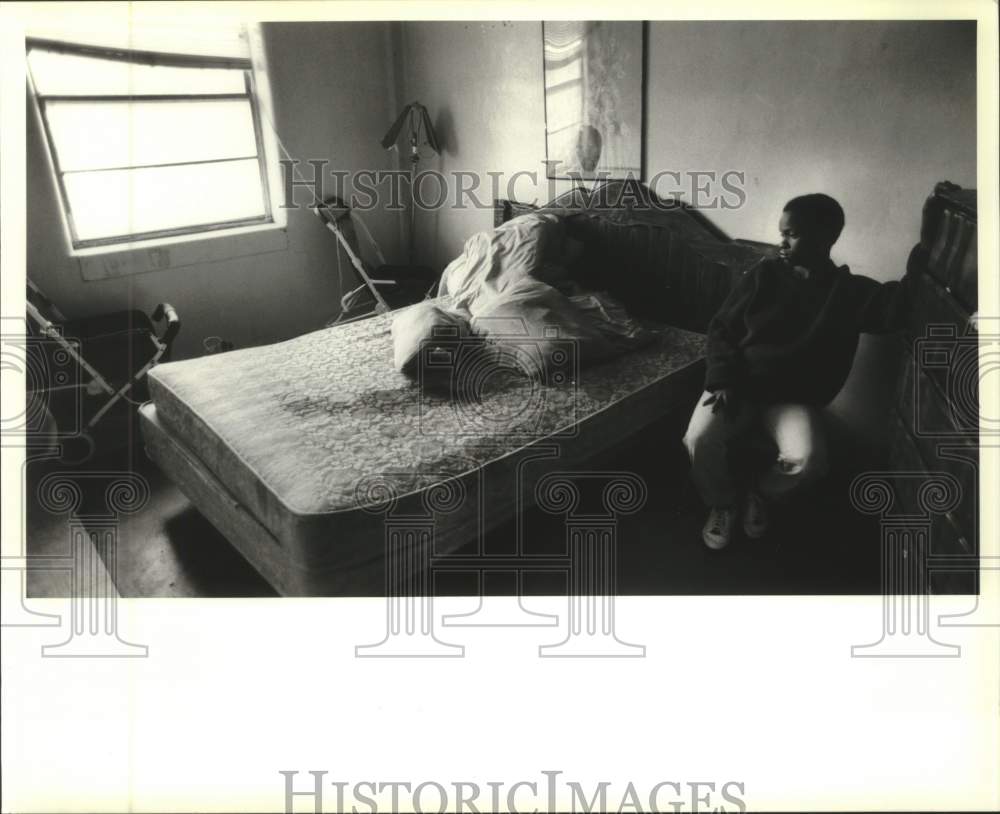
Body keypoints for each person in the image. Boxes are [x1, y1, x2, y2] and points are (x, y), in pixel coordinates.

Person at [683, 192, 928, 549]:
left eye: (792, 233)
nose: (781, 241)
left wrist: (928, 238)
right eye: (781, 232)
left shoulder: (848, 292)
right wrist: (721, 381)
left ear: (826, 237)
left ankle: (759, 493)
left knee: (809, 461)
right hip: (736, 387)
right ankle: (723, 502)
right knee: (699, 439)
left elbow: (901, 305)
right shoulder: (762, 275)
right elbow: (721, 329)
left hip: (790, 399)